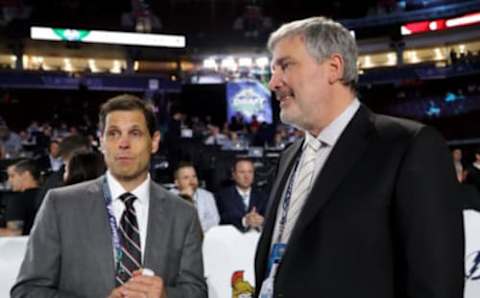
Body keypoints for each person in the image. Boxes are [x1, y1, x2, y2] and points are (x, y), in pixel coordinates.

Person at [254, 17, 464, 298]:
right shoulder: (290, 156)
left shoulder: (408, 145)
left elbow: (436, 285)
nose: (273, 83)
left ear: (333, 67)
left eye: (285, 66)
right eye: (273, 69)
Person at [12, 94, 207, 298]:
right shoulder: (60, 205)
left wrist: (166, 295)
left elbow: (197, 292)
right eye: (113, 133)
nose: (123, 143)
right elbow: (26, 291)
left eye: (135, 133)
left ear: (154, 142)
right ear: (101, 141)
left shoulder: (183, 214)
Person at [216, 157, 268, 232]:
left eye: (250, 172)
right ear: (233, 175)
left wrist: (262, 220)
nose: (246, 176)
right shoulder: (222, 196)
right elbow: (224, 219)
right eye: (242, 172)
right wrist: (245, 221)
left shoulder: (263, 196)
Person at [172, 161, 220, 233]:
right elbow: (172, 223)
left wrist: (193, 229)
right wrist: (184, 198)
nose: (192, 181)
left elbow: (214, 221)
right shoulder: (169, 197)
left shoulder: (207, 196)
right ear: (177, 182)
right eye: (186, 177)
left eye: (194, 176)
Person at [0, 159, 40, 236]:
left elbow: (14, 233)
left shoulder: (17, 200)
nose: (9, 181)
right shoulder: (47, 194)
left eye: (12, 176)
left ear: (26, 175)